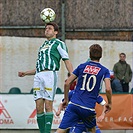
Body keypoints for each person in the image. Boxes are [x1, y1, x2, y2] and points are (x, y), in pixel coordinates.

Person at [18, 22, 73, 133]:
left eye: (50, 28)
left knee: (48, 105)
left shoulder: (59, 43)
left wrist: (72, 75)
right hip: (39, 76)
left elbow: (66, 60)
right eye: (46, 28)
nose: (46, 30)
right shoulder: (43, 46)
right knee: (38, 107)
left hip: (49, 75)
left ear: (56, 32)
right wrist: (25, 73)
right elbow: (39, 67)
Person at [56, 44, 112, 133]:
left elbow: (67, 83)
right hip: (88, 108)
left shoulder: (82, 66)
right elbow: (108, 89)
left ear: (89, 55)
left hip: (74, 105)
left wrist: (66, 99)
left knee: (60, 130)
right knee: (93, 130)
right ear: (101, 56)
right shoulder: (104, 70)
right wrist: (110, 103)